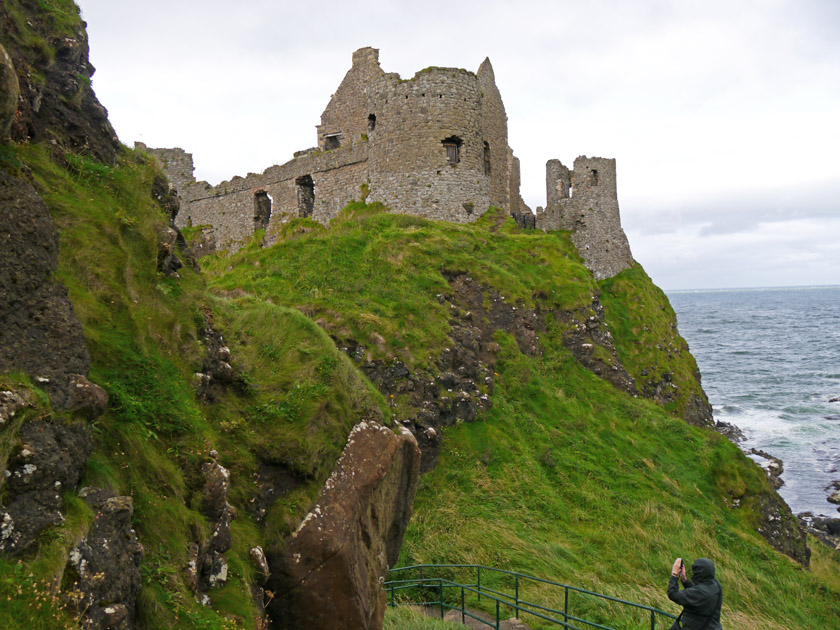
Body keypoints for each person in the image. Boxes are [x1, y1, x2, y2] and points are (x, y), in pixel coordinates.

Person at [667, 557, 723, 630]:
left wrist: (674, 574)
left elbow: (673, 594)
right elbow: (697, 594)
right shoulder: (716, 586)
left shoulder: (699, 593)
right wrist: (684, 580)